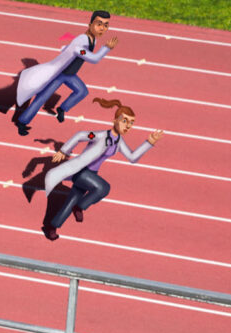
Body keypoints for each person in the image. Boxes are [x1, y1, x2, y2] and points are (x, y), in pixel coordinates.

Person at [40, 98, 163, 240]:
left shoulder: (119, 142)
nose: (127, 126)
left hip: (91, 174)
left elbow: (132, 157)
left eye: (131, 123)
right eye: (125, 121)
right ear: (115, 120)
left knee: (72, 200)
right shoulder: (98, 136)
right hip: (81, 171)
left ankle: (51, 227)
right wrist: (64, 151)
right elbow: (81, 135)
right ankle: (80, 207)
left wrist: (149, 142)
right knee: (103, 188)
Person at [14, 10, 119, 136]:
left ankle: (62, 109)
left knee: (82, 91)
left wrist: (66, 50)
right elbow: (93, 58)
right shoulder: (81, 42)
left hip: (69, 75)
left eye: (106, 25)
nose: (102, 28)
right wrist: (106, 48)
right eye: (99, 24)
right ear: (90, 24)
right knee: (42, 97)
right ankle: (22, 122)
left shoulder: (93, 40)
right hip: (59, 74)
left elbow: (70, 50)